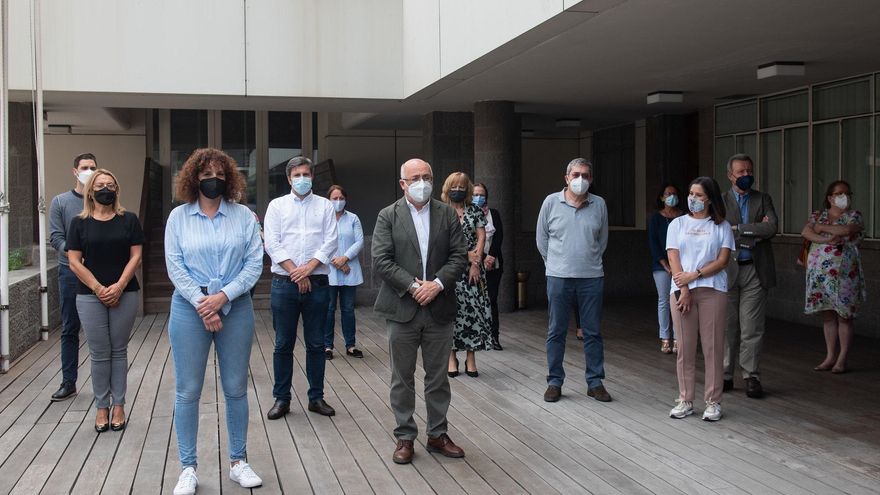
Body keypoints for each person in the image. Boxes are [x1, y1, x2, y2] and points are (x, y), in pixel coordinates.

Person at [165, 148, 264, 494]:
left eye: (221, 174)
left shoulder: (244, 217)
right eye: (207, 174)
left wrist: (223, 298)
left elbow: (254, 264)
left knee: (236, 387)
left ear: (230, 178)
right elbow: (174, 265)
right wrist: (203, 304)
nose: (214, 180)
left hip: (236, 307)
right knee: (188, 391)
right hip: (188, 310)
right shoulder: (178, 218)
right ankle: (188, 467)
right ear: (193, 177)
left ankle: (239, 461)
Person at [372, 158, 468, 465]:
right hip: (402, 308)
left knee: (438, 377)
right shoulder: (388, 215)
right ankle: (405, 436)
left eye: (426, 176)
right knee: (402, 378)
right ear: (402, 183)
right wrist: (415, 287)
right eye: (415, 178)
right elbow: (382, 260)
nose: (422, 182)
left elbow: (459, 256)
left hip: (439, 307)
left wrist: (437, 284)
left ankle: (437, 434)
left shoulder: (447, 215)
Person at [66, 169, 143, 432]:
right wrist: (99, 288)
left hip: (126, 292)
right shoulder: (79, 223)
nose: (105, 189)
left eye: (110, 184)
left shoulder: (129, 220)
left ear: (117, 190)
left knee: (119, 350)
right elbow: (74, 261)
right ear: (91, 191)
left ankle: (119, 404)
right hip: (89, 295)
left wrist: (119, 286)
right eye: (100, 185)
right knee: (99, 353)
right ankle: (101, 406)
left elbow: (136, 256)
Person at [264, 156, 338, 420]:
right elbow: (272, 243)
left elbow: (331, 241)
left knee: (317, 344)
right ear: (288, 178)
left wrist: (308, 269)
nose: (302, 179)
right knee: (283, 344)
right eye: (297, 175)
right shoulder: (276, 206)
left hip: (317, 284)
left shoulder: (325, 206)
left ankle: (316, 398)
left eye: (306, 174)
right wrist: (297, 271)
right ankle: (282, 399)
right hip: (284, 285)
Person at [537, 158, 611, 403]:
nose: (581, 179)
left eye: (586, 175)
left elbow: (602, 241)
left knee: (592, 332)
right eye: (576, 174)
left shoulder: (599, 204)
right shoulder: (550, 202)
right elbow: (542, 239)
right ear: (566, 177)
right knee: (556, 331)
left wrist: (587, 261)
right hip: (558, 276)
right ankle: (555, 382)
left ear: (592, 179)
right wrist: (555, 264)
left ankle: (595, 382)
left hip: (591, 277)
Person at [666, 176, 735, 422]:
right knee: (684, 347)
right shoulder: (677, 224)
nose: (692, 199)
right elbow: (673, 257)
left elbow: (722, 260)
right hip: (681, 291)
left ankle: (713, 401)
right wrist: (683, 288)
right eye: (691, 194)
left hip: (712, 290)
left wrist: (695, 275)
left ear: (710, 199)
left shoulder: (722, 226)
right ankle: (685, 398)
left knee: (712, 347)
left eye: (698, 195)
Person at [722, 153, 778, 399]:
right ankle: (725, 374)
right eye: (741, 172)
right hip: (727, 271)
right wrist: (755, 231)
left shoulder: (763, 198)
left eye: (749, 171)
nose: (746, 176)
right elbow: (718, 231)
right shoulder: (720, 201)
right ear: (730, 175)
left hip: (755, 270)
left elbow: (771, 227)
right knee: (727, 326)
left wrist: (738, 229)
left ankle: (751, 376)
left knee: (752, 327)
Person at [800, 180, 865, 374]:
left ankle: (842, 358)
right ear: (830, 197)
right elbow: (806, 232)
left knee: (844, 316)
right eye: (839, 193)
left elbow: (848, 230)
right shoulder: (818, 215)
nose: (843, 197)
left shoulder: (854, 216)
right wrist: (826, 238)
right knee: (827, 316)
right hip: (820, 275)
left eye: (847, 193)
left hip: (845, 275)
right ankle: (830, 356)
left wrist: (821, 228)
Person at [48, 153, 97, 401]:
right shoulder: (61, 202)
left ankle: (105, 383)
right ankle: (69, 381)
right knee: (70, 327)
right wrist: (77, 257)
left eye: (93, 167)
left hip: (99, 273)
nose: (89, 171)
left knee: (101, 330)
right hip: (69, 272)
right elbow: (56, 237)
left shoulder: (100, 200)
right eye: (84, 167)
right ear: (75, 171)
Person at [442, 173, 493, 378]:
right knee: (450, 313)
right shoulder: (441, 211)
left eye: (462, 187)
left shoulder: (475, 210)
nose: (458, 190)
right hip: (449, 269)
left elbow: (481, 236)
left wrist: (475, 262)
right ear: (447, 188)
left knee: (474, 312)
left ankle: (471, 357)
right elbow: (439, 241)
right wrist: (465, 255)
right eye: (454, 186)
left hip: (473, 270)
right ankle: (451, 356)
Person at [323, 185, 365, 360]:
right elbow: (320, 242)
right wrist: (338, 262)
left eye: (341, 198)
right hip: (329, 270)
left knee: (348, 309)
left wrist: (345, 258)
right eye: (334, 198)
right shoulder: (324, 219)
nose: (338, 202)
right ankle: (327, 346)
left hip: (350, 270)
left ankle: (351, 345)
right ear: (328, 200)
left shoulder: (353, 218)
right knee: (329, 309)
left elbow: (359, 241)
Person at [648, 182, 685, 354]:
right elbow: (653, 243)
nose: (671, 196)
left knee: (679, 299)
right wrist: (665, 264)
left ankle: (678, 337)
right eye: (668, 193)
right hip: (661, 265)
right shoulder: (656, 218)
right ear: (662, 197)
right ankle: (665, 337)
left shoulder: (684, 217)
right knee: (663, 300)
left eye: (674, 193)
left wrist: (676, 265)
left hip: (681, 265)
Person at [473, 183, 505, 351]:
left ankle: (494, 337)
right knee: (475, 301)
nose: (478, 197)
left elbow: (498, 236)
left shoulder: (494, 214)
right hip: (473, 264)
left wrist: (491, 257)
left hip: (493, 265)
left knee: (491, 300)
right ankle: (477, 337)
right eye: (475, 194)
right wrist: (480, 258)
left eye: (482, 194)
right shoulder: (466, 214)